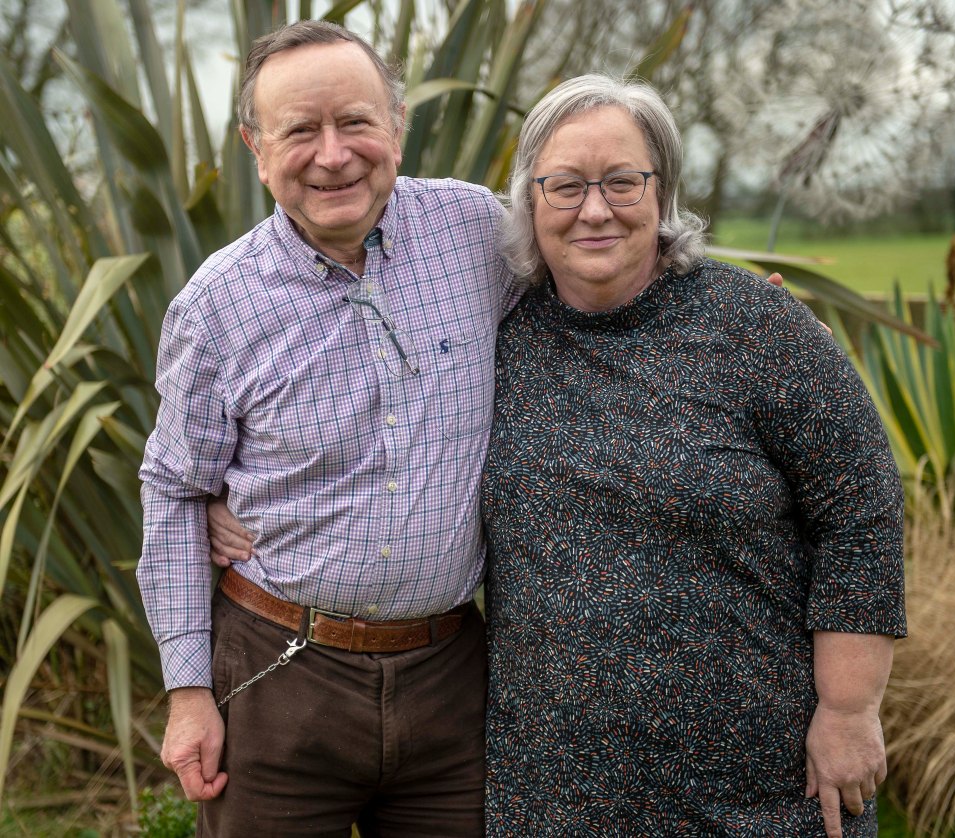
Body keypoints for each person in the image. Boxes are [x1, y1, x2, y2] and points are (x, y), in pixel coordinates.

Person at [478, 75, 906, 837]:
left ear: (663, 189)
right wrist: (223, 503)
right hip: (557, 795)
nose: (597, 209)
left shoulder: (757, 325)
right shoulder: (497, 341)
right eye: (567, 186)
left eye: (622, 181)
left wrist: (849, 709)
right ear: (529, 199)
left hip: (771, 792)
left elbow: (861, 511)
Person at [137, 19, 522, 836]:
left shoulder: (478, 234)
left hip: (454, 678)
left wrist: (714, 307)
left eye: (356, 121)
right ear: (255, 145)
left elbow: (598, 270)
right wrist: (187, 694)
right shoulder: (216, 308)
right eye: (301, 130)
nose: (334, 154)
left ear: (398, 125)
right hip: (278, 680)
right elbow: (174, 491)